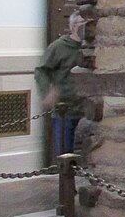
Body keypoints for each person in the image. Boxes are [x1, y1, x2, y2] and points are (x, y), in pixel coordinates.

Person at [35, 12, 87, 159]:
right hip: (66, 111)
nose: (85, 27)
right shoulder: (58, 47)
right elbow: (41, 71)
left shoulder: (91, 47)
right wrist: (48, 92)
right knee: (66, 154)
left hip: (87, 110)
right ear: (72, 26)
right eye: (81, 23)